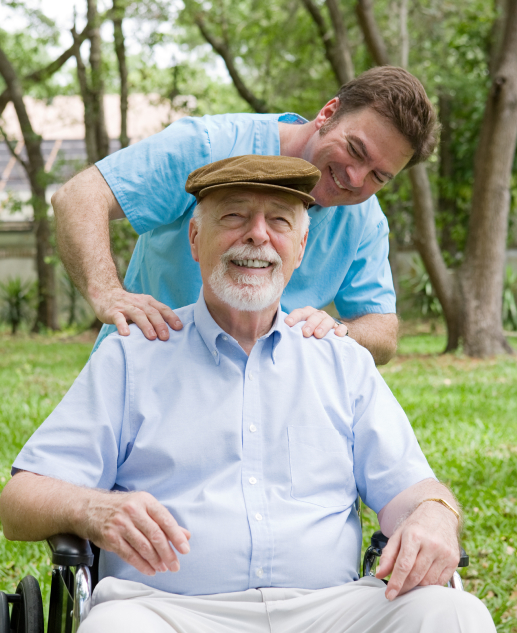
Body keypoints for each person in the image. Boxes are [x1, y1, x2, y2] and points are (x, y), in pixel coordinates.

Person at [0, 156, 494, 633]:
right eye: (234, 216)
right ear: (196, 239)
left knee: (455, 616)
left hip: (327, 612)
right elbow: (19, 500)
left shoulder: (341, 361)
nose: (258, 235)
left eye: (278, 221)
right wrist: (93, 509)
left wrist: (435, 516)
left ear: (300, 247)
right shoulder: (132, 358)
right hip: (167, 612)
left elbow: (413, 491)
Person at [51, 66, 438, 365]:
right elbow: (79, 196)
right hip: (150, 370)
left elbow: (383, 332)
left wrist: (338, 331)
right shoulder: (207, 146)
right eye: (355, 149)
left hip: (265, 401)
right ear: (328, 113)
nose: (355, 178)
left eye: (379, 176)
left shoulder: (365, 220)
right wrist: (107, 293)